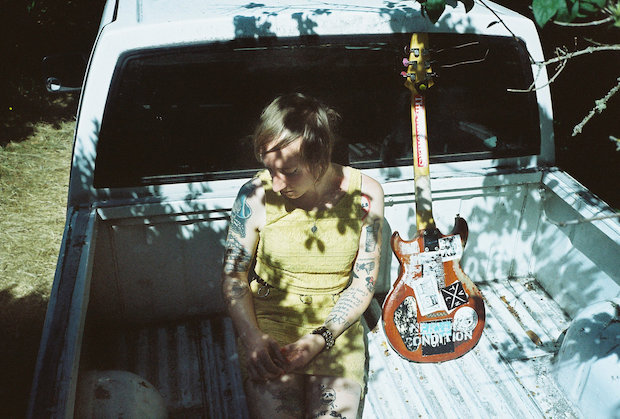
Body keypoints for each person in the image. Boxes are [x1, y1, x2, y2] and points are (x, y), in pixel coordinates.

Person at [221, 93, 384, 419]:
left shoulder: (365, 195)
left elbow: (362, 284)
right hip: (269, 321)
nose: (276, 184)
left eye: (290, 171)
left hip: (335, 326)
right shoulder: (254, 195)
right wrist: (252, 338)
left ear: (320, 158)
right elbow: (234, 275)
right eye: (269, 169)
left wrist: (320, 339)